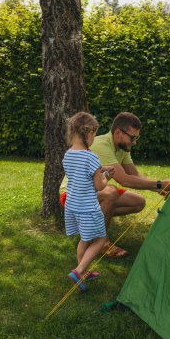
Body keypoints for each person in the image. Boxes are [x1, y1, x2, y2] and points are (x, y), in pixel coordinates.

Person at [89, 112, 170, 257]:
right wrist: (161, 184)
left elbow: (134, 175)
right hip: (74, 194)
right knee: (111, 193)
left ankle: (91, 222)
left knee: (138, 202)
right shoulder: (101, 145)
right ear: (118, 132)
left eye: (137, 138)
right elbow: (125, 180)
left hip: (95, 191)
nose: (135, 142)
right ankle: (100, 243)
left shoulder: (122, 148)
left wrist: (160, 190)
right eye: (133, 137)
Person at [62, 112, 115, 292]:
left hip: (72, 206)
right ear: (89, 133)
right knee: (99, 239)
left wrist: (100, 170)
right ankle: (79, 270)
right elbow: (100, 186)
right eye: (94, 133)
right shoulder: (91, 157)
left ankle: (82, 273)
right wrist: (106, 175)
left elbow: (81, 173)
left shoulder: (68, 154)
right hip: (88, 207)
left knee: (84, 239)